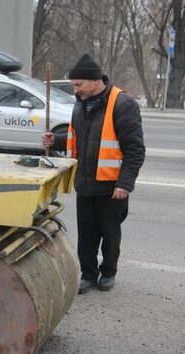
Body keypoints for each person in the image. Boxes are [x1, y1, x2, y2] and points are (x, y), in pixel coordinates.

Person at [42, 54, 145, 294]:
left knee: (110, 234)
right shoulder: (81, 103)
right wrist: (56, 140)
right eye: (73, 85)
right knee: (86, 235)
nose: (75, 90)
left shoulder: (122, 104)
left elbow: (135, 149)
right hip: (86, 182)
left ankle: (108, 272)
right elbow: (82, 139)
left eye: (78, 85)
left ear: (95, 81)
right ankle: (88, 274)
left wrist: (125, 183)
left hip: (111, 187)